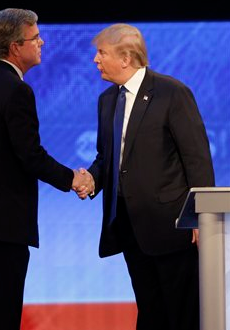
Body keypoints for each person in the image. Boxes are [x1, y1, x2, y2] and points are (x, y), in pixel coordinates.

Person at [0, 8, 93, 330]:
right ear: (15, 47)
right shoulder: (16, 90)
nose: (42, 42)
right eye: (35, 37)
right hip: (4, 222)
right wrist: (73, 179)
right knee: (3, 313)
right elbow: (29, 154)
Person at [86, 23, 215, 330]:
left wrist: (201, 216)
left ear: (126, 58)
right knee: (150, 309)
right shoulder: (107, 100)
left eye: (101, 53)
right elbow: (107, 157)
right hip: (130, 227)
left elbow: (196, 157)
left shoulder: (172, 93)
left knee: (181, 312)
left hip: (172, 227)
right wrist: (91, 179)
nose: (96, 60)